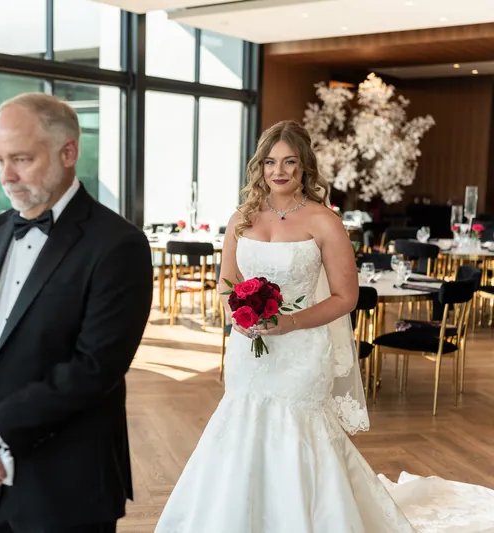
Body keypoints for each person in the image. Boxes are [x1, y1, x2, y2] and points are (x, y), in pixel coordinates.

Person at [154, 120, 494, 532]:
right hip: (250, 350)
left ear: (305, 168)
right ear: (259, 167)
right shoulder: (241, 219)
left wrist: (289, 322)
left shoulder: (325, 222)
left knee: (300, 434)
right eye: (270, 162)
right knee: (242, 427)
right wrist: (239, 317)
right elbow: (228, 285)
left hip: (301, 351)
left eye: (289, 162)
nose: (278, 171)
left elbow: (345, 298)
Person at [0, 92, 153, 533]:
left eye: (20, 158)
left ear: (68, 152)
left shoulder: (118, 245)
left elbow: (94, 369)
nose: (6, 176)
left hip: (68, 486)